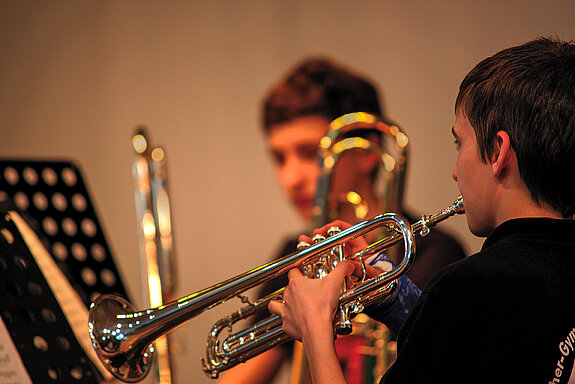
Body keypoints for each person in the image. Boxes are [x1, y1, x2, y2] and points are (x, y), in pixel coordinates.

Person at [269, 36, 575, 384]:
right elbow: (466, 347)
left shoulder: (469, 287)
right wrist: (388, 291)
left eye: (460, 143)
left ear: (498, 152)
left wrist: (314, 331)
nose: (455, 171)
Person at [218, 58, 465, 383]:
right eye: (279, 158)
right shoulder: (296, 252)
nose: (290, 177)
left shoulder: (435, 252)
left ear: (364, 151)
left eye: (309, 153)